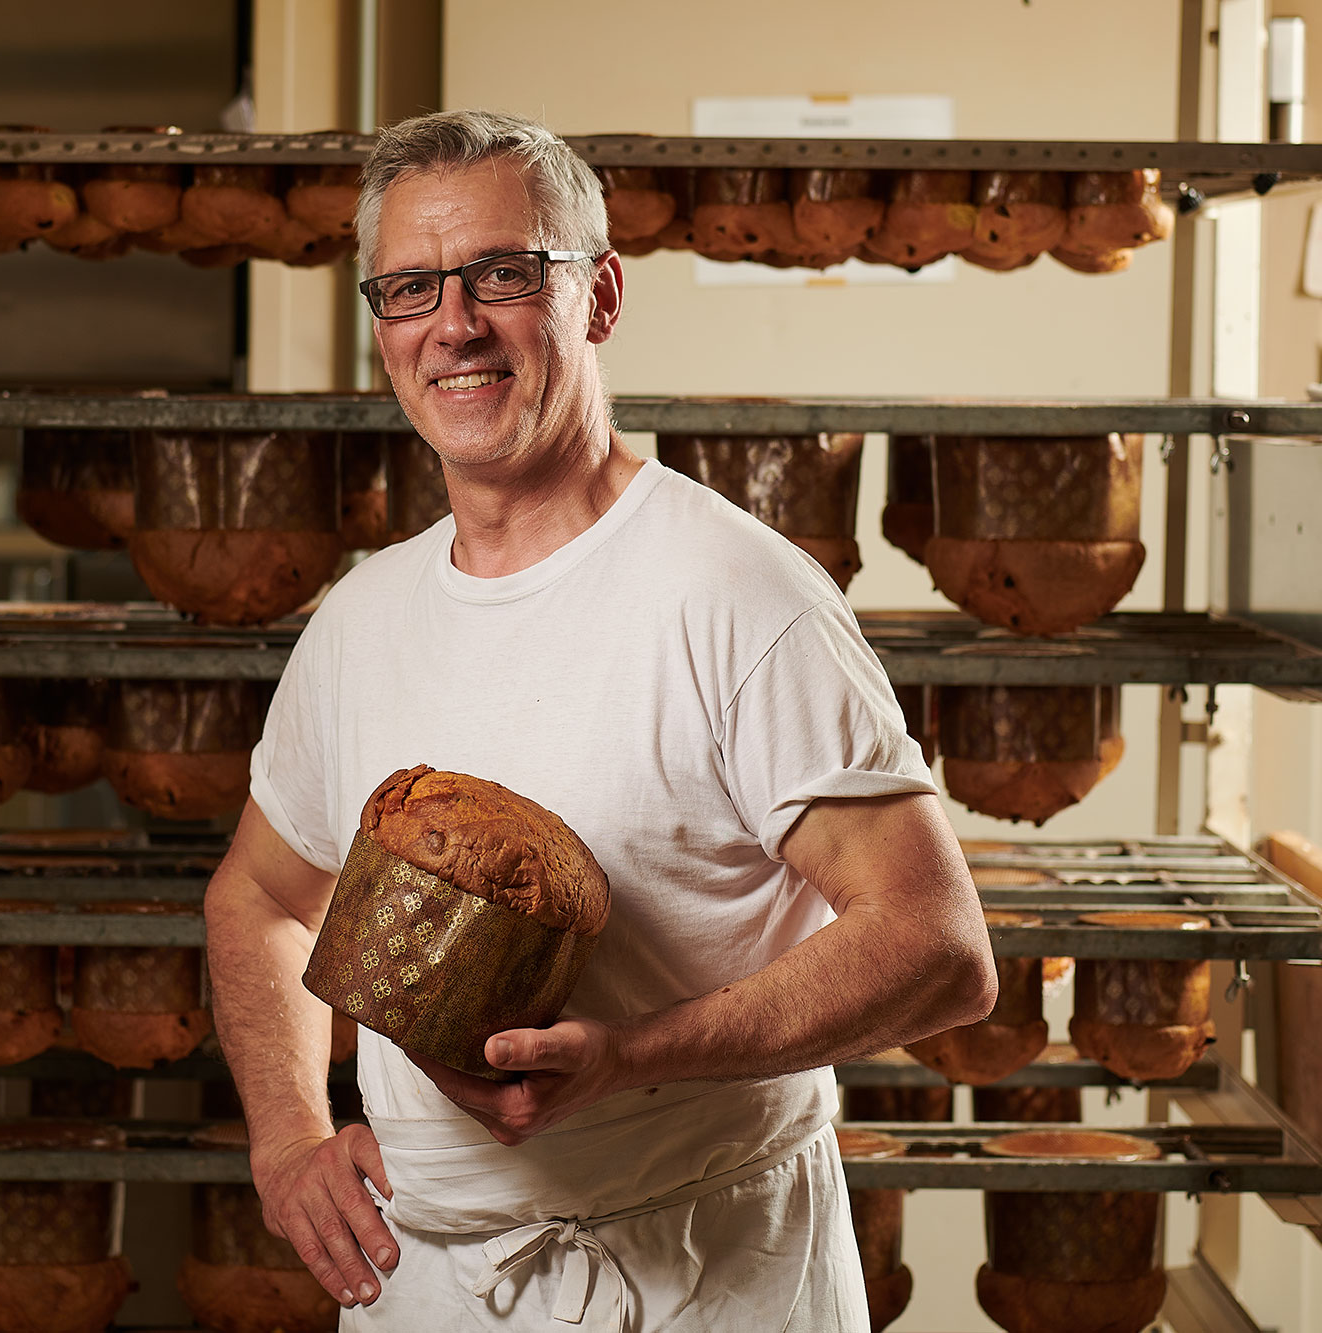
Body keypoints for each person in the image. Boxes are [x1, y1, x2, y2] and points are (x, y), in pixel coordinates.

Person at [202, 109, 997, 1332]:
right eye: (409, 288)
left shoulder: (734, 593)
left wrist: (635, 1054)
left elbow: (938, 945)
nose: (453, 325)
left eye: (502, 275)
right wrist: (289, 1136)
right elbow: (259, 894)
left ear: (600, 295)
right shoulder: (361, 618)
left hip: (701, 1271)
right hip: (423, 1282)